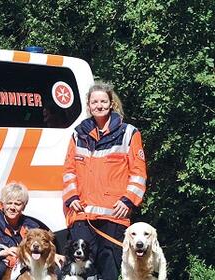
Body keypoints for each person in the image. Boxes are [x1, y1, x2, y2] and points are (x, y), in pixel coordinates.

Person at [63, 81, 147, 280]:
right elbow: (68, 170)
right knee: (82, 272)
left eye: (103, 101)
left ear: (111, 104)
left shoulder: (129, 133)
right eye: (94, 102)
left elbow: (139, 173)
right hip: (82, 214)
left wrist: (128, 200)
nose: (98, 105)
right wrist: (71, 196)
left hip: (114, 215)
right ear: (89, 106)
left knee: (109, 268)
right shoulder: (78, 134)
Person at [0, 183, 52, 279]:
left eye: (17, 204)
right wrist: (1, 253)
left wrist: (53, 256)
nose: (12, 207)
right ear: (2, 205)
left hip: (23, 272)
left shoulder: (32, 227)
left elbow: (44, 247)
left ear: (24, 207)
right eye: (9, 203)